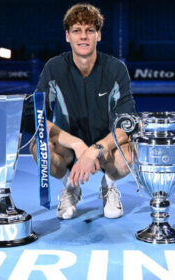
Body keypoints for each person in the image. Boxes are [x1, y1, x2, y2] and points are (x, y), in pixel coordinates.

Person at [28, 3, 135, 219]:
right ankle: (70, 185)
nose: (83, 36)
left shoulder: (115, 69)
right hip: (67, 144)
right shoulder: (54, 68)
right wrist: (77, 145)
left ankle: (109, 185)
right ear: (67, 36)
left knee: (128, 156)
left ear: (99, 35)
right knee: (41, 148)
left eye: (89, 30)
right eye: (77, 30)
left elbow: (127, 124)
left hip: (104, 145)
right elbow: (35, 117)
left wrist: (95, 149)